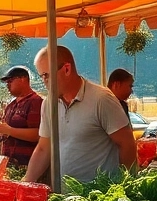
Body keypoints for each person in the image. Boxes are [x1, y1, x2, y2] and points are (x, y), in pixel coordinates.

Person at [25, 45, 136, 184]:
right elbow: (43, 148)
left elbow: (127, 145)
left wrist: (125, 186)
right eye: (42, 76)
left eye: (46, 75)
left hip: (100, 198)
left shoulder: (101, 99)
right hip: (64, 197)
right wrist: (26, 182)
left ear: (66, 69)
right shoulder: (48, 104)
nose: (44, 81)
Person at [0, 66, 43, 167]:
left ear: (23, 79)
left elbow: (38, 134)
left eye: (10, 81)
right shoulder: (11, 105)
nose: (8, 85)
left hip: (27, 164)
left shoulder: (36, 102)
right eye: (7, 83)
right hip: (9, 162)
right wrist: (0, 130)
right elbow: (8, 132)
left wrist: (9, 130)